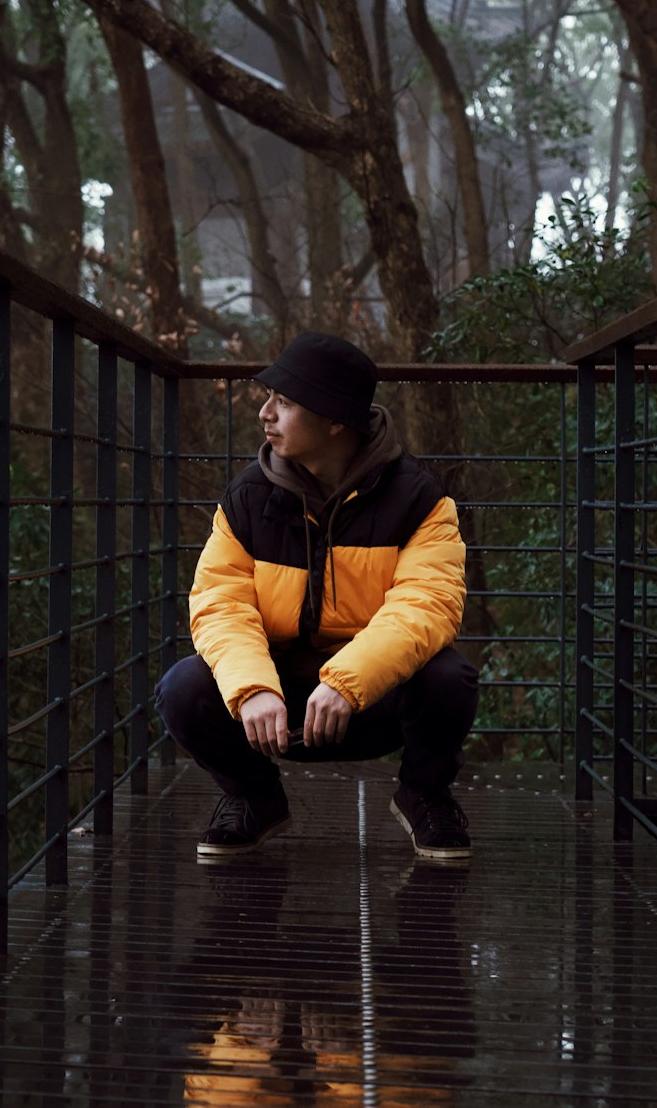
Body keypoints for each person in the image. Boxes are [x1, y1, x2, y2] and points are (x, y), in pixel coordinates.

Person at [155, 331, 478, 863]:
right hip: (276, 706)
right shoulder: (246, 498)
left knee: (449, 678)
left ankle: (423, 793)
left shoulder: (420, 499)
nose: (265, 414)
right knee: (183, 687)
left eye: (285, 402)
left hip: (370, 702)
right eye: (269, 399)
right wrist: (252, 688)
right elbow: (220, 604)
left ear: (334, 419)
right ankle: (255, 798)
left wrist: (348, 683)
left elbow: (426, 605)